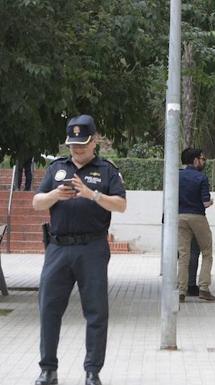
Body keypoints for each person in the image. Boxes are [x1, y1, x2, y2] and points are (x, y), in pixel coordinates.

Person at [32, 114, 127, 385]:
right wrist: (54, 196)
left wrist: (92, 194)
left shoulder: (107, 170)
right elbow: (37, 202)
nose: (77, 150)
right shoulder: (56, 169)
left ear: (94, 141)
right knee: (48, 308)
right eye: (73, 145)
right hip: (58, 248)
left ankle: (92, 371)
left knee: (96, 311)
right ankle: (48, 370)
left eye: (82, 145)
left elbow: (120, 205)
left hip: (92, 248)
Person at [177, 148, 215, 303]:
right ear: (195, 160)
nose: (203, 161)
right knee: (207, 252)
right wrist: (212, 201)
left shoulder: (177, 176)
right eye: (202, 158)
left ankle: (181, 291)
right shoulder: (201, 177)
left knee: (183, 255)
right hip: (197, 216)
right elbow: (206, 203)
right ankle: (204, 288)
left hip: (180, 217)